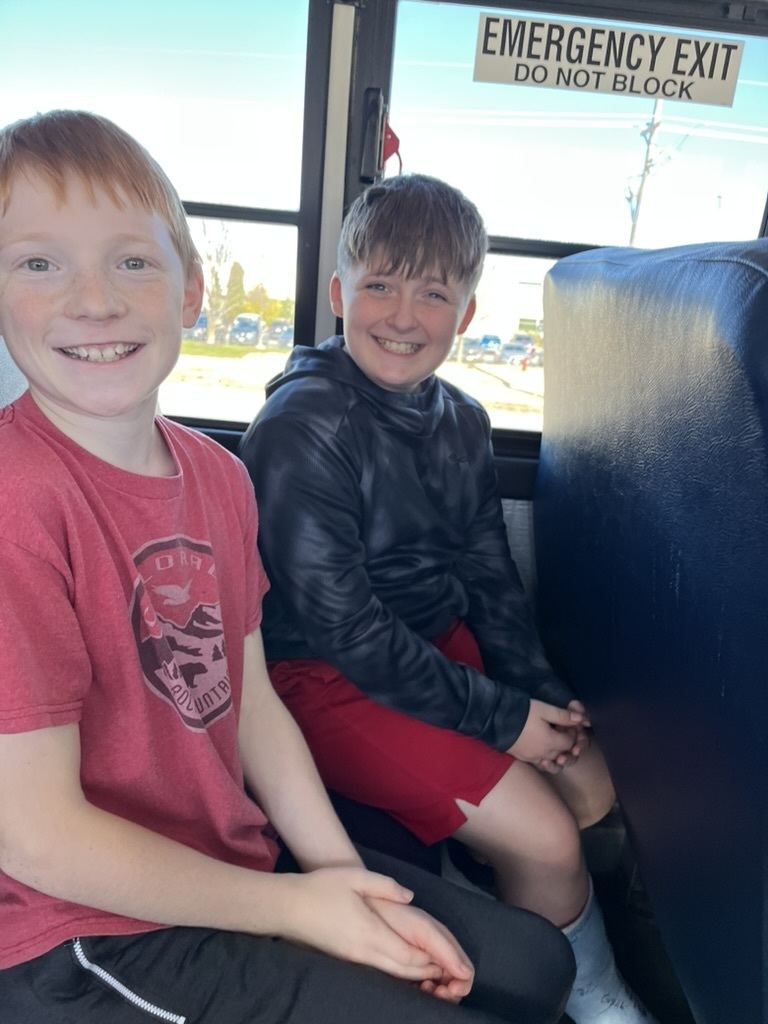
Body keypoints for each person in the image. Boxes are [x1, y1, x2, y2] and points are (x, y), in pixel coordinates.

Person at [0, 109, 578, 1024]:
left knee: (535, 967)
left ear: (191, 290)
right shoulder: (16, 499)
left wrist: (343, 884)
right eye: (39, 263)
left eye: (132, 261)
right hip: (83, 933)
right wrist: (295, 908)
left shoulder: (217, 477)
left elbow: (253, 700)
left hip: (228, 848)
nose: (94, 300)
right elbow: (35, 837)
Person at [240, 174, 658, 1024]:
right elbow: (346, 631)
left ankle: (491, 890)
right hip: (323, 678)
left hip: (433, 654)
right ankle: (584, 998)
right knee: (546, 836)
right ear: (337, 292)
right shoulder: (300, 428)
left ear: (465, 313)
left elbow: (488, 576)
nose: (401, 316)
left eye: (432, 292)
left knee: (591, 788)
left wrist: (539, 693)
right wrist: (503, 720)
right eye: (379, 285)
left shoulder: (460, 417)